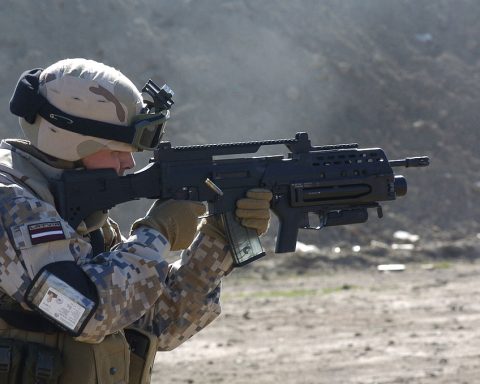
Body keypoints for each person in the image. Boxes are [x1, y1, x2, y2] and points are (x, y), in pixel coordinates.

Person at [0, 58, 272, 384]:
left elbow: (163, 323)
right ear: (70, 143)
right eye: (117, 150)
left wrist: (218, 237)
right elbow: (86, 313)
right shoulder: (11, 204)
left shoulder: (79, 215)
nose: (128, 163)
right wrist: (158, 234)